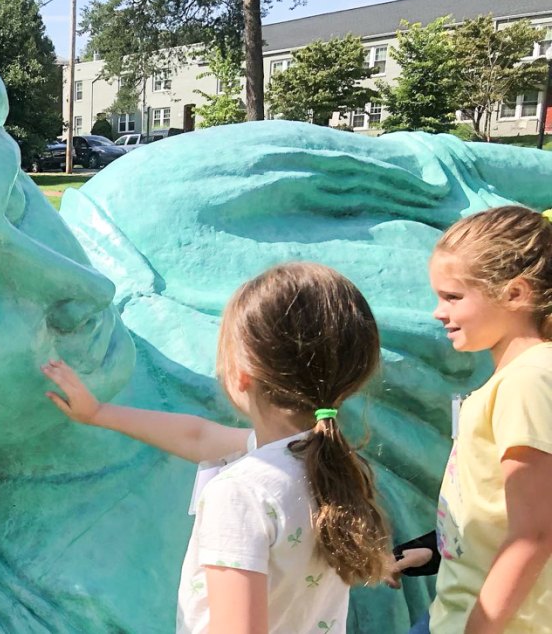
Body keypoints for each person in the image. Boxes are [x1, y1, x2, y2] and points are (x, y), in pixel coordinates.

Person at [42, 262, 392, 633]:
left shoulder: (240, 492)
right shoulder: (322, 459)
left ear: (243, 372)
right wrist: (99, 412)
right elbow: (200, 438)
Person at [390, 205, 552, 634]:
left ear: (516, 294)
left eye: (453, 297)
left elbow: (534, 533)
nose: (437, 313)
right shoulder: (515, 380)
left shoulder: (527, 383)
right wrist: (434, 550)